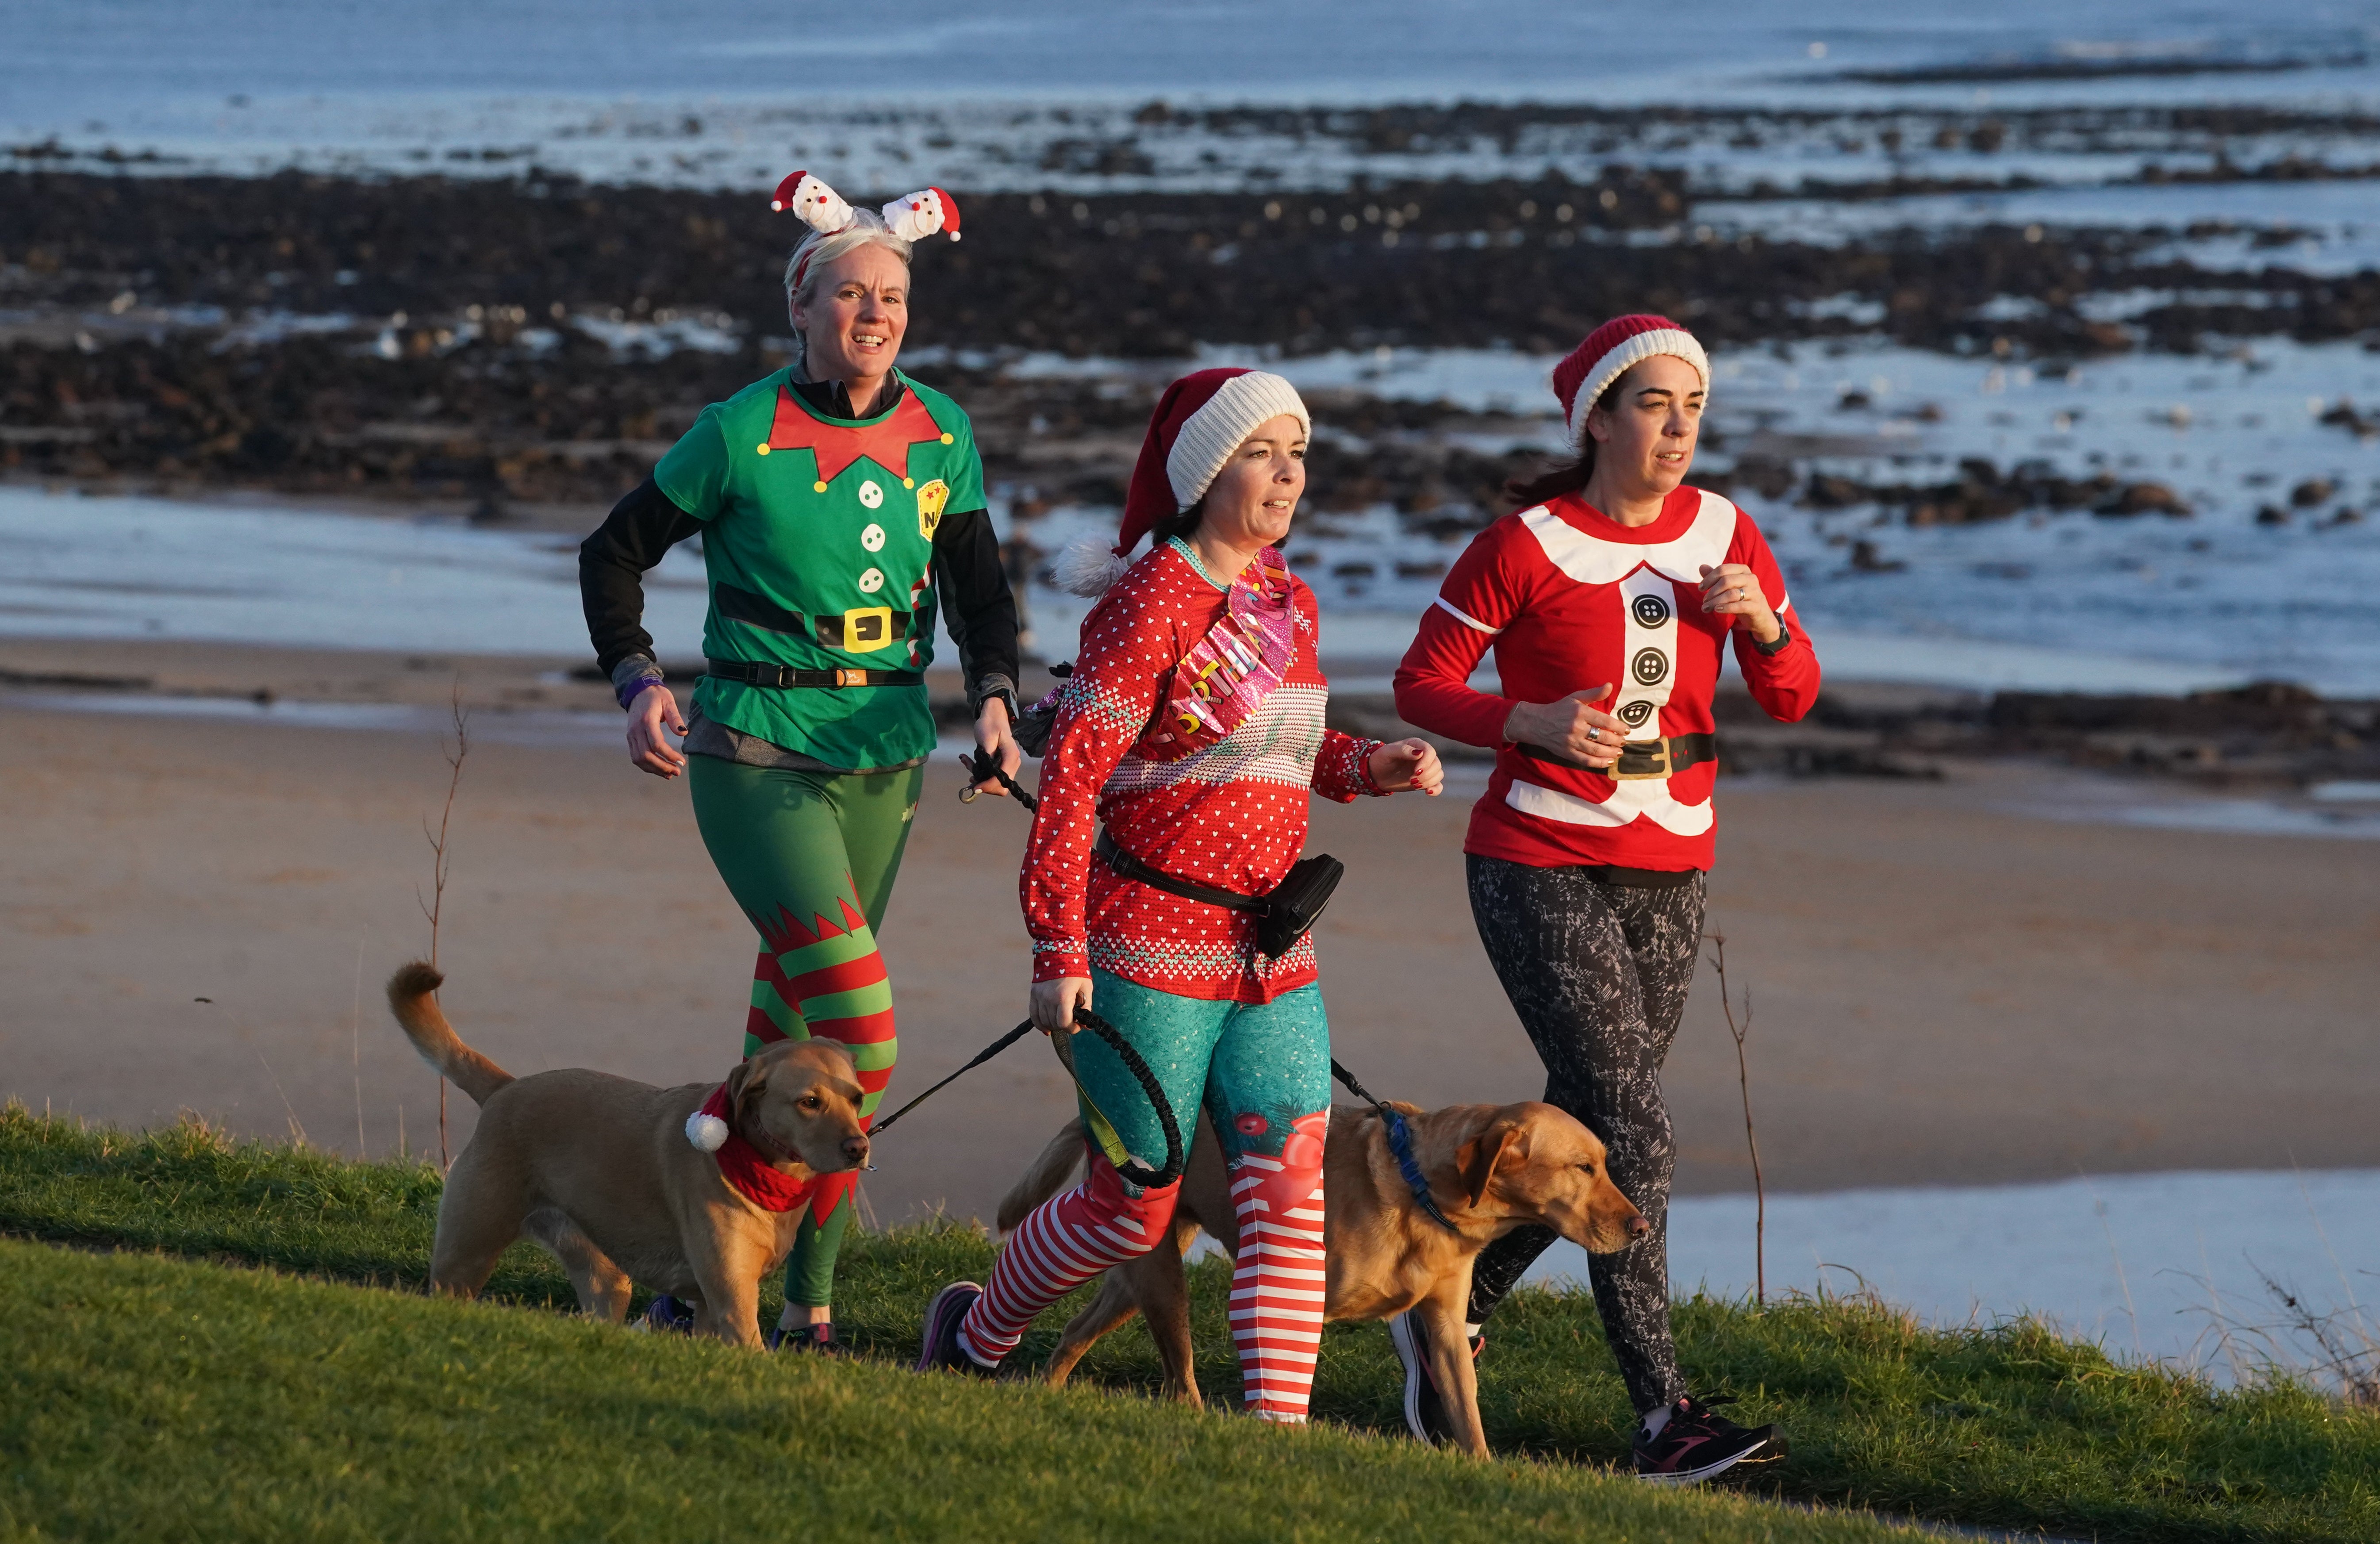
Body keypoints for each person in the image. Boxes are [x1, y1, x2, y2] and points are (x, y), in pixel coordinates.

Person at [913, 368, 1444, 1421]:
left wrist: (1365, 767)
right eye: (1262, 453)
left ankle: (1270, 1440)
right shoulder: (1147, 602)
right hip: (1141, 949)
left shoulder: (1288, 598)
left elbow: (1285, 746)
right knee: (1127, 1203)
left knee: (1286, 1192)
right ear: (1205, 472)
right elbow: (1069, 777)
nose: (1288, 475)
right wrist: (1054, 951)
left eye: (1298, 455)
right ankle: (973, 1332)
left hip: (1269, 955)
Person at [578, 173, 1022, 1351]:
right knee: (861, 1039)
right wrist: (637, 684)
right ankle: (793, 1293)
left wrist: (992, 699)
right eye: (849, 295)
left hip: (885, 756)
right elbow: (611, 555)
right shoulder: (738, 431)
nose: (874, 314)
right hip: (754, 753)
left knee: (788, 1037)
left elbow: (980, 588)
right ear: (802, 307)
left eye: (892, 297)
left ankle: (721, 1280)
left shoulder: (942, 430)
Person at [1390, 314, 1820, 1481]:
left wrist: (1763, 622)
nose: (1677, 428)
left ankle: (1447, 1300)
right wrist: (1519, 719)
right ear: (1597, 418)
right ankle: (1663, 1419)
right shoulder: (1521, 544)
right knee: (1634, 1128)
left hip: (1670, 859)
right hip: (1534, 855)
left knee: (1591, 1109)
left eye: (1693, 408)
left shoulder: (1727, 535)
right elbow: (1421, 682)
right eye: (1653, 405)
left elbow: (1788, 698)